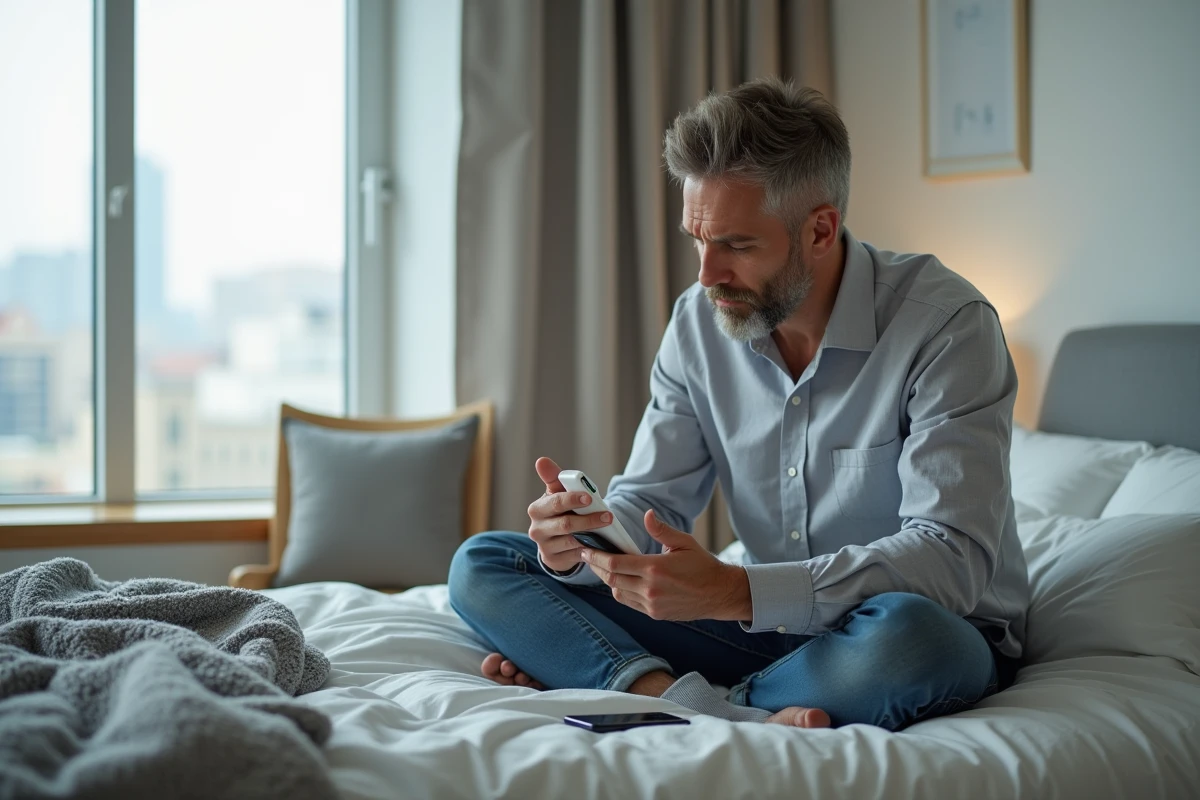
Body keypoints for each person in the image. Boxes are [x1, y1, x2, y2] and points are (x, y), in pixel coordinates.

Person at [448, 76, 1029, 730]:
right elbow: (652, 501)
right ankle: (706, 701)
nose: (706, 275)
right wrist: (585, 543)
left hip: (902, 627)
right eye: (698, 239)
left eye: (737, 246)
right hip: (758, 624)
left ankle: (640, 681)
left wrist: (738, 590)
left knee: (921, 642)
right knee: (486, 562)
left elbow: (950, 560)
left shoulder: (948, 326)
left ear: (820, 229)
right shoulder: (699, 322)